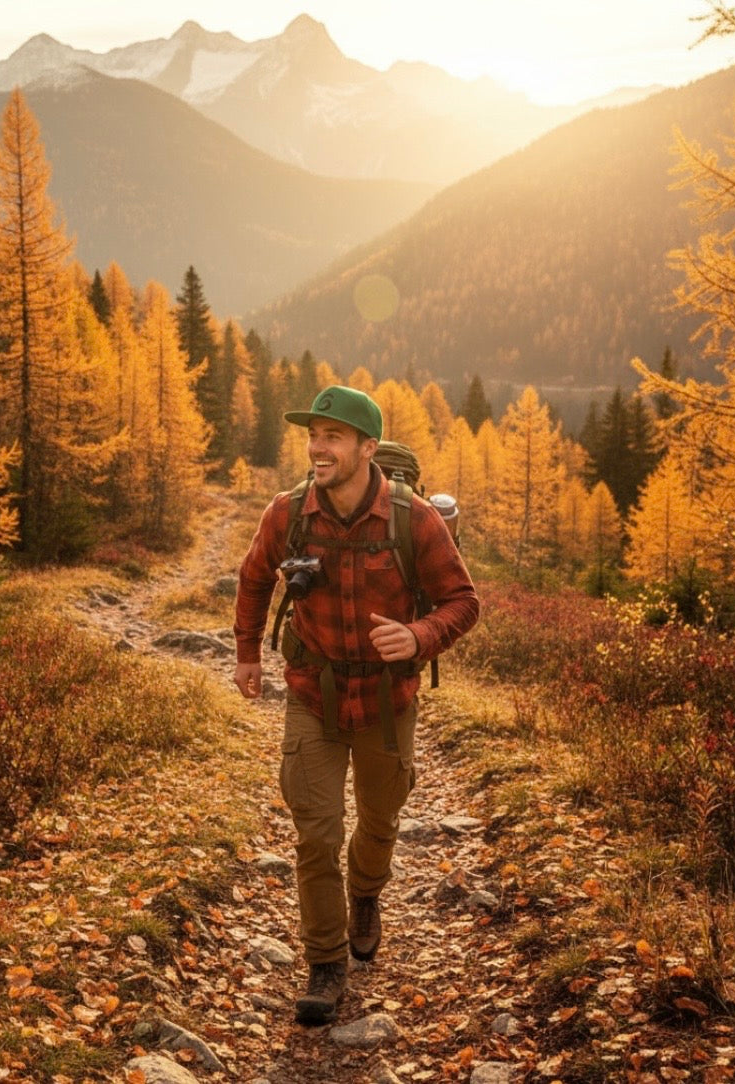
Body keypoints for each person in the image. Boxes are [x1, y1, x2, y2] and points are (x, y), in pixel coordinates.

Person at [233, 385, 480, 1025]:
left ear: (367, 449)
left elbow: (463, 600)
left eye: (333, 436)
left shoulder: (414, 519)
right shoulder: (286, 514)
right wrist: (247, 653)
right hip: (312, 692)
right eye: (313, 435)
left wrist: (420, 636)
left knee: (379, 820)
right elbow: (255, 576)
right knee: (315, 832)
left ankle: (366, 894)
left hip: (387, 697)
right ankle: (324, 962)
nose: (318, 447)